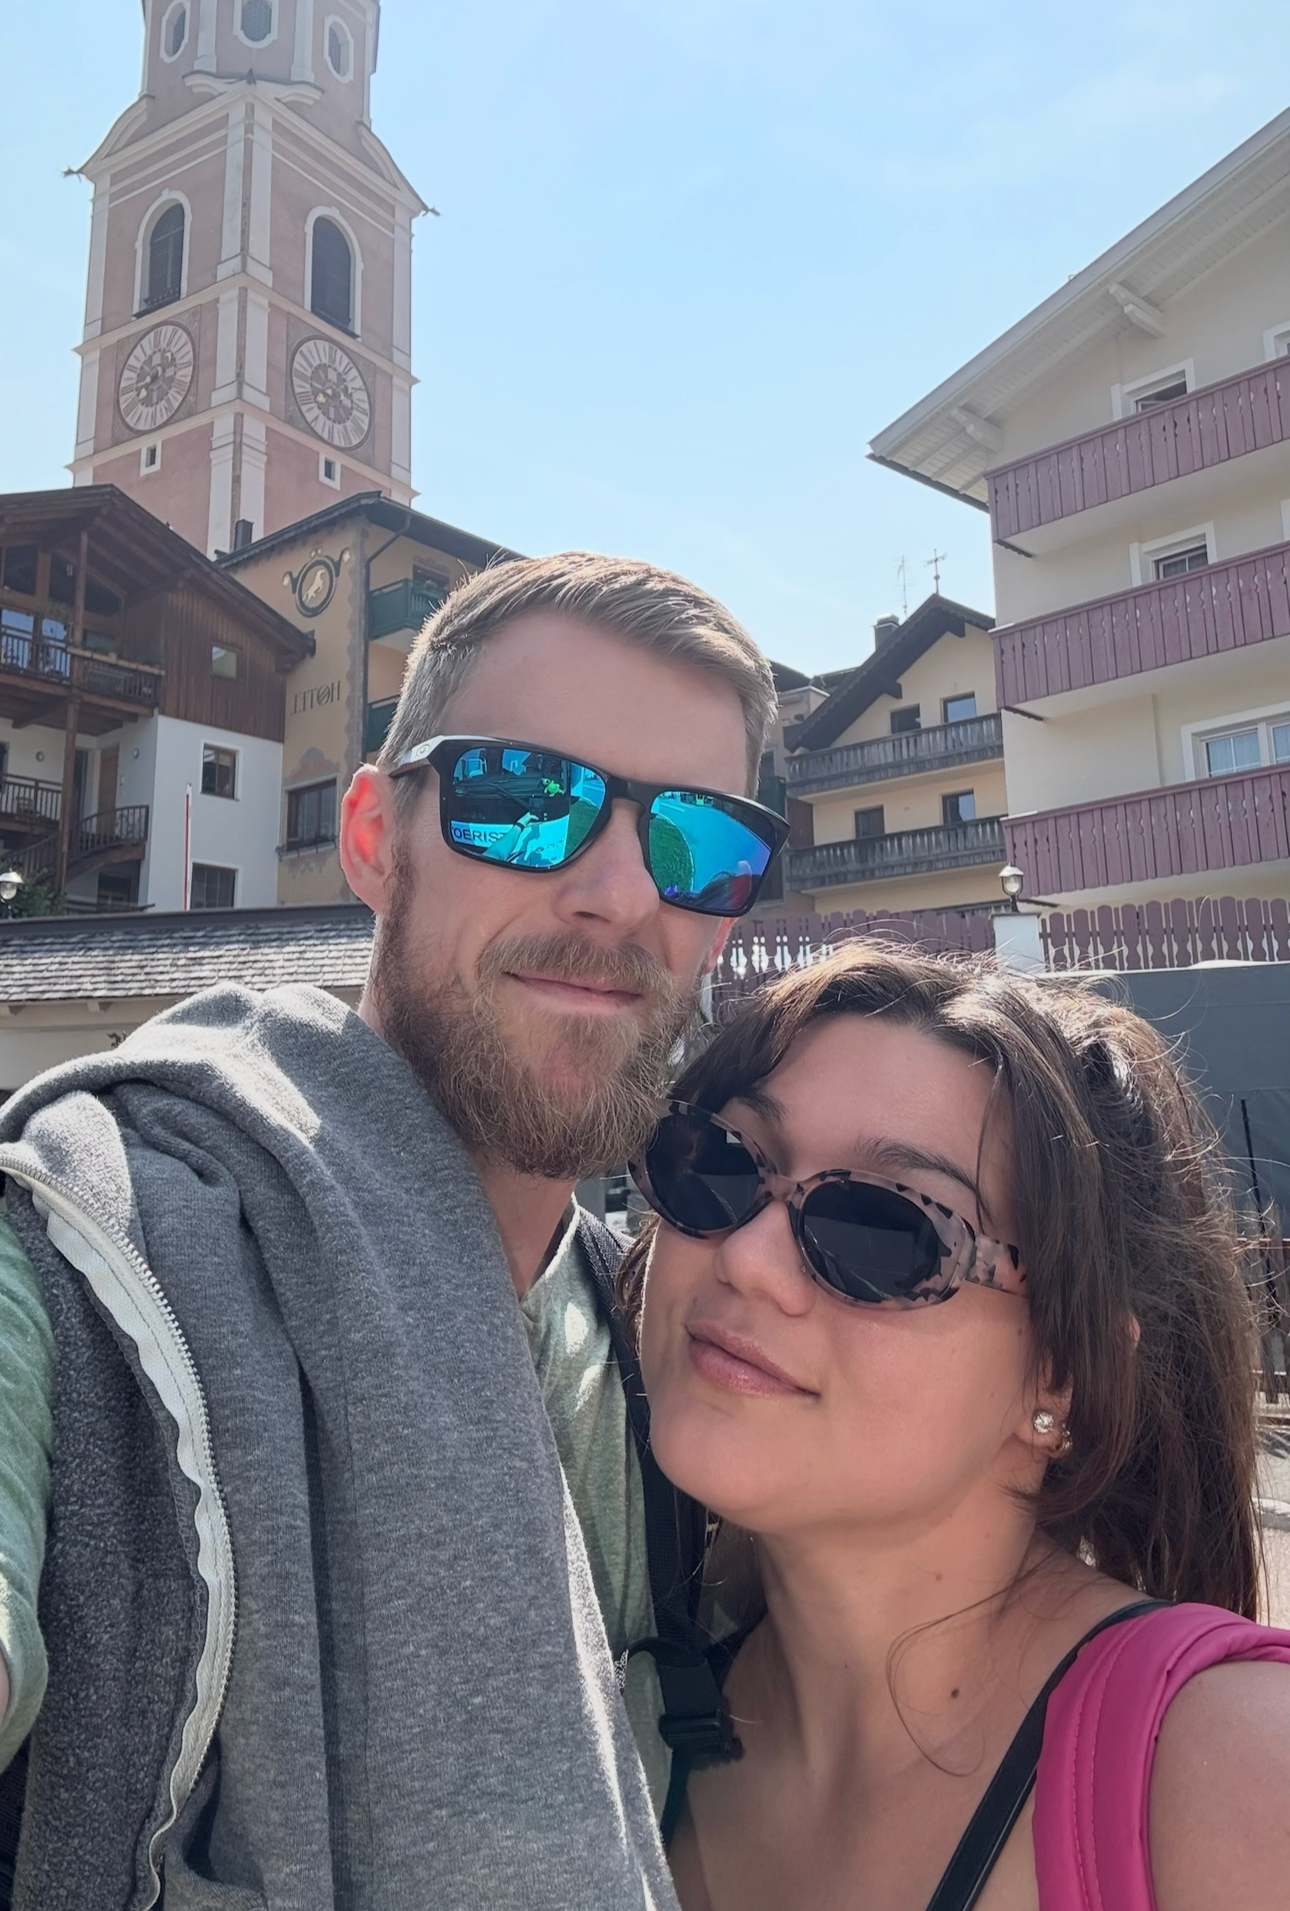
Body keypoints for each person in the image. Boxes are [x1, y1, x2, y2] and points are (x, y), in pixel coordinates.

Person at [0, 551, 785, 1910]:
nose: (614, 893)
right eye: (520, 803)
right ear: (375, 838)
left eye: (696, 843)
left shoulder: (677, 1371)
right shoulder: (92, 1246)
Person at [623, 945, 1290, 1910]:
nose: (750, 1260)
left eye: (882, 1229)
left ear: (1062, 1373)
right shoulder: (620, 1733)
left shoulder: (1230, 1778)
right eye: (719, 1166)